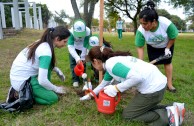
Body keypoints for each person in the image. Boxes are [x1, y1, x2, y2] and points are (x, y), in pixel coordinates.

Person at [80, 46, 185, 126]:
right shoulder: (112, 61)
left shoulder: (110, 65)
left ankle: (168, 116)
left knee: (128, 115)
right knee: (140, 108)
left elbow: (136, 78)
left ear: (95, 61)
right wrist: (90, 95)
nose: (93, 67)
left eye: (92, 64)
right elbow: (103, 84)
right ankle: (174, 108)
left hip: (153, 90)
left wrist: (116, 88)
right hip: (158, 84)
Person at [9, 26, 71, 105]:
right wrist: (56, 89)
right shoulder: (46, 51)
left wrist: (56, 69)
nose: (65, 44)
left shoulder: (43, 42)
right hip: (23, 82)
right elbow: (42, 80)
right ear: (57, 39)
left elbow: (45, 65)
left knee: (47, 72)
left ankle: (41, 90)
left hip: (18, 78)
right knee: (53, 98)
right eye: (65, 41)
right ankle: (25, 95)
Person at [135, 0, 178, 92]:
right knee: (154, 65)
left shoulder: (166, 24)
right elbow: (140, 47)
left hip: (166, 45)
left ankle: (169, 84)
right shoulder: (140, 31)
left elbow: (173, 37)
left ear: (154, 21)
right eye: (141, 23)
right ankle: (156, 83)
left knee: (167, 63)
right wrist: (140, 62)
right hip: (152, 46)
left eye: (145, 23)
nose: (143, 26)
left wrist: (167, 48)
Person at [68, 19, 91, 87]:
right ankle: (75, 80)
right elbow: (70, 46)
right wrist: (77, 58)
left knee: (84, 63)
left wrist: (83, 57)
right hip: (74, 47)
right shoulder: (71, 32)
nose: (80, 36)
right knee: (73, 63)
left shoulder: (88, 31)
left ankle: (84, 78)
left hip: (83, 46)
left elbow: (86, 44)